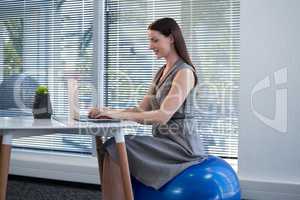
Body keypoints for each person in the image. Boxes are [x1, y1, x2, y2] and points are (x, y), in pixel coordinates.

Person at [89, 17, 206, 200]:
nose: (150, 46)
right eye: (149, 40)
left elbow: (162, 116)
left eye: (155, 40)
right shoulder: (161, 72)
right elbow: (140, 109)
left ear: (171, 38)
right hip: (164, 141)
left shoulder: (184, 72)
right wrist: (107, 112)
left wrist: (113, 114)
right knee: (110, 147)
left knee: (114, 147)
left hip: (181, 146)